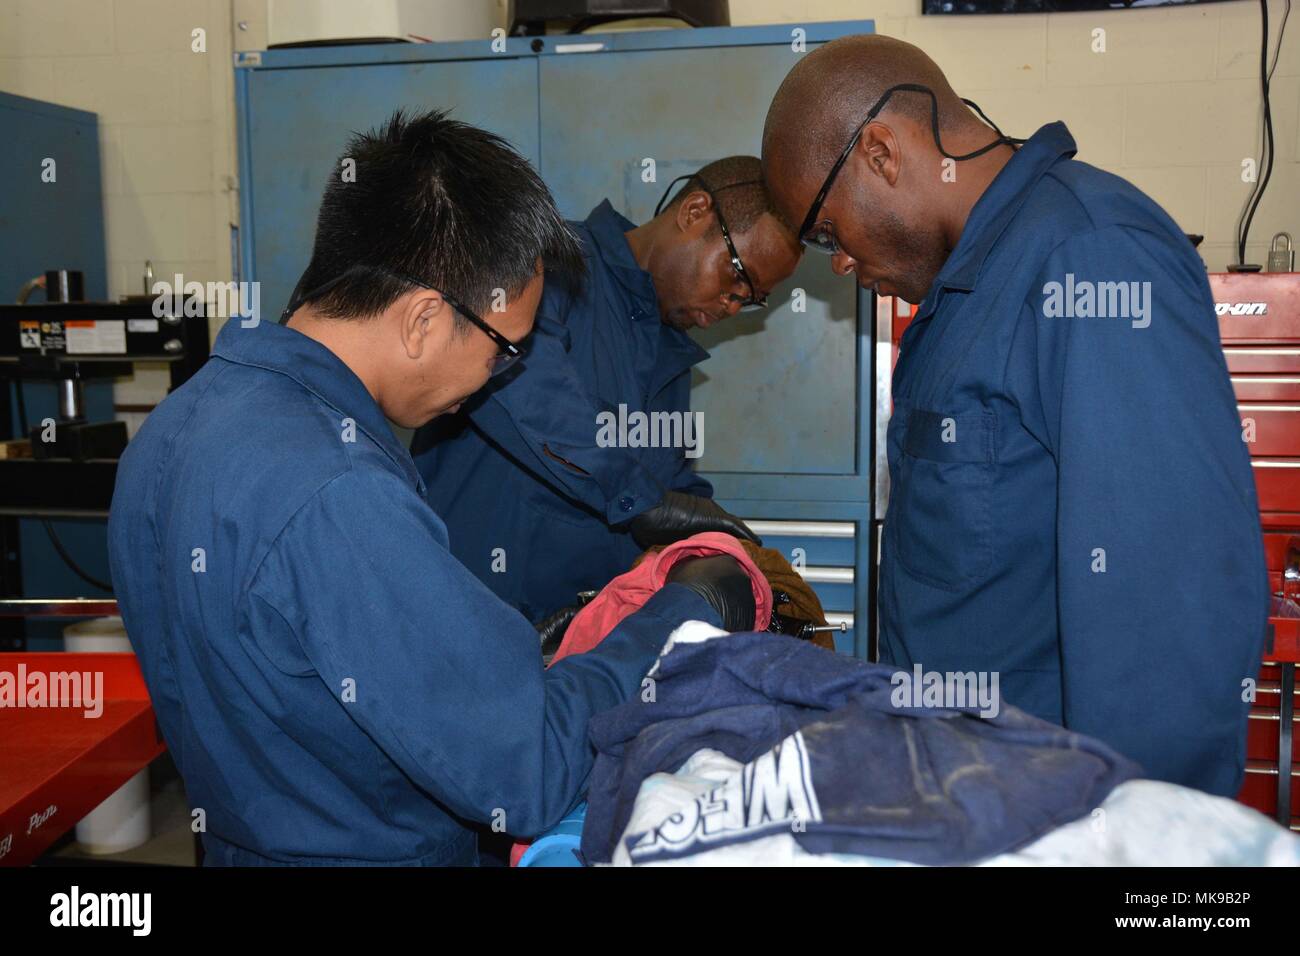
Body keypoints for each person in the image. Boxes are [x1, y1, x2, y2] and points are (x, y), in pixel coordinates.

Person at [107, 109, 755, 866]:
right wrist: (684, 615)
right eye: (505, 350)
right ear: (422, 320)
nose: (498, 377)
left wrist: (478, 656)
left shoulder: (169, 432)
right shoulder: (338, 490)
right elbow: (529, 770)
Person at [760, 35, 1267, 796]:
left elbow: (1172, 611)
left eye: (828, 232)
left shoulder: (1089, 257)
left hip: (1059, 810)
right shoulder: (964, 294)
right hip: (964, 791)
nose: (837, 262)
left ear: (881, 153)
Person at [412, 156, 801, 631]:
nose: (734, 304)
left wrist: (714, 533)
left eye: (752, 299)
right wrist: (644, 500)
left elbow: (664, 482)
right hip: (472, 618)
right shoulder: (546, 262)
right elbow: (530, 391)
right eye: (736, 275)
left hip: (589, 647)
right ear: (695, 212)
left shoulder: (669, 352)